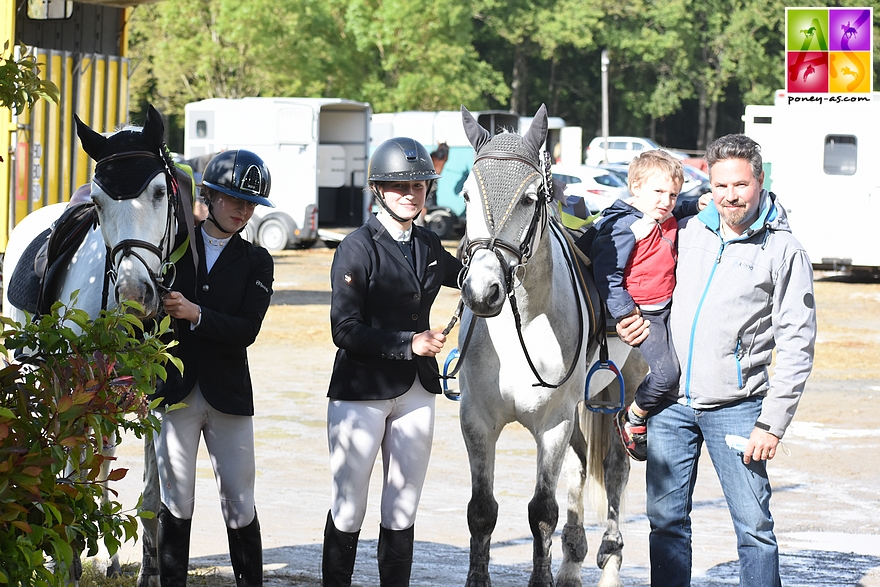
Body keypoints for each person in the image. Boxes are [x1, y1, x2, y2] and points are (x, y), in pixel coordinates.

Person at [617, 134, 817, 587]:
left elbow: (798, 344)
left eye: (741, 185)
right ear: (708, 182)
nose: (730, 195)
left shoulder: (783, 251)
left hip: (739, 408)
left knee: (754, 530)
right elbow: (639, 277)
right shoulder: (687, 230)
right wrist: (625, 322)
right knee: (665, 524)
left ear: (759, 181)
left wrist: (772, 423)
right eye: (721, 184)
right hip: (670, 408)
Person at [322, 137, 463, 587]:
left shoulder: (429, 242)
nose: (411, 193)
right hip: (361, 391)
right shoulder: (357, 247)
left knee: (402, 508)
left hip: (417, 392)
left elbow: (473, 277)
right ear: (378, 189)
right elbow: (343, 329)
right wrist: (409, 343)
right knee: (349, 508)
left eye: (419, 185)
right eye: (399, 185)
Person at [152, 149, 275, 587]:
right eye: (234, 200)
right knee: (176, 501)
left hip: (229, 395)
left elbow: (246, 329)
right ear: (209, 196)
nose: (243, 210)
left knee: (240, 503)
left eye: (251, 204)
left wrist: (195, 313)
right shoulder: (172, 249)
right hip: (176, 391)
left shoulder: (258, 261)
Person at [586, 150, 693, 461]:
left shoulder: (665, 215)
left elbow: (678, 210)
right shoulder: (624, 227)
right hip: (645, 314)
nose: (667, 201)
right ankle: (635, 416)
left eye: (673, 194)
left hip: (668, 307)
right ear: (635, 188)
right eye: (658, 192)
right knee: (666, 375)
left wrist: (693, 205)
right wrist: (624, 312)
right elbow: (608, 274)